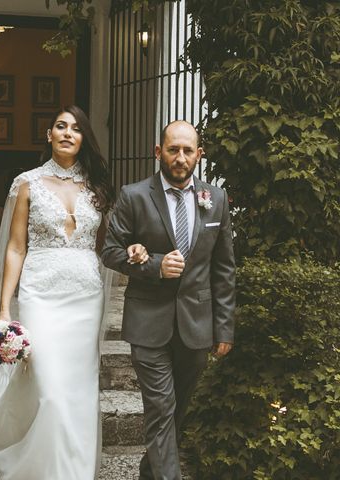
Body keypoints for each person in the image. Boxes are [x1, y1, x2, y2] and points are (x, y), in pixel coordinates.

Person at [0, 105, 146, 479]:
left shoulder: (96, 187)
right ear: (49, 135)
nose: (68, 133)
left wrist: (133, 250)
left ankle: (75, 469)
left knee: (78, 391)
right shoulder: (27, 183)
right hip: (41, 293)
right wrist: (5, 308)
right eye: (61, 126)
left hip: (86, 296)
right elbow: (15, 247)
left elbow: (106, 246)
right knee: (49, 387)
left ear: (83, 138)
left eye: (76, 128)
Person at [101, 120, 236, 480]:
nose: (180, 158)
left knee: (176, 411)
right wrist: (154, 265)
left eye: (187, 150)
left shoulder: (216, 199)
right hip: (148, 321)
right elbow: (110, 252)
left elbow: (223, 268)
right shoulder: (134, 195)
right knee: (161, 407)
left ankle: (151, 471)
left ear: (199, 155)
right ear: (158, 152)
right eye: (173, 150)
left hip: (197, 325)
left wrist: (223, 328)